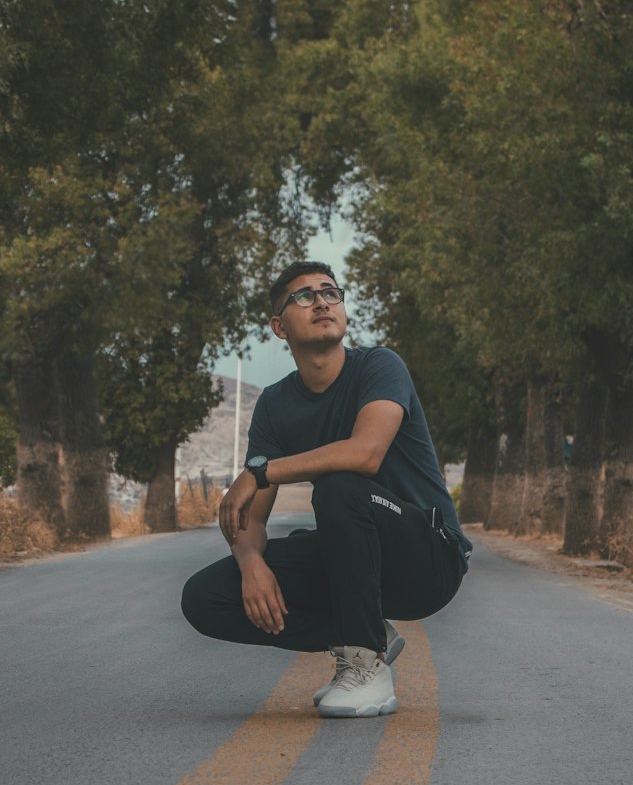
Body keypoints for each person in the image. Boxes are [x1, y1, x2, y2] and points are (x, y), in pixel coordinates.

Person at [180, 261, 471, 717]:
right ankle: (367, 631)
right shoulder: (275, 405)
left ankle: (366, 666)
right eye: (303, 296)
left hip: (428, 558)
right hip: (357, 561)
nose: (320, 301)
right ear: (279, 326)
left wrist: (260, 471)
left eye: (330, 292)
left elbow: (365, 454)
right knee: (207, 596)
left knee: (339, 487)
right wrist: (251, 561)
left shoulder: (379, 366)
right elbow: (250, 519)